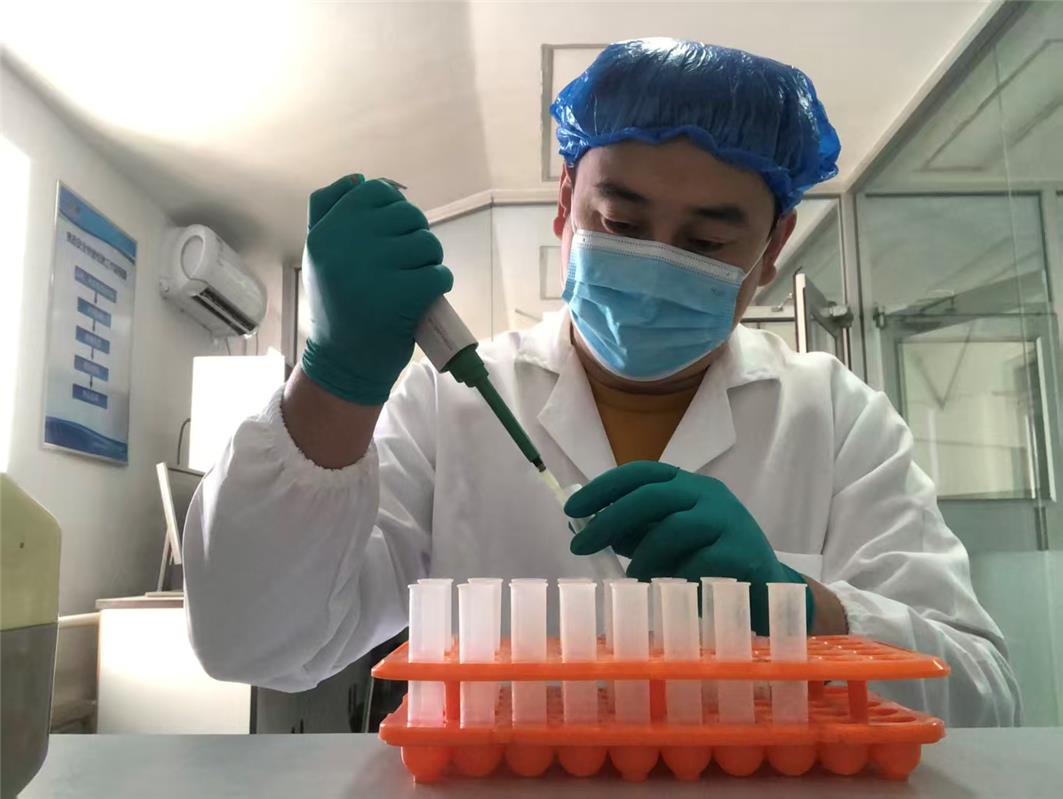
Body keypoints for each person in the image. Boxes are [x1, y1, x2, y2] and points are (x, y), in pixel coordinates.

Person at [183, 39, 1020, 726]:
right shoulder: (448, 404)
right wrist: (333, 379)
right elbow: (256, 644)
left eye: (705, 243)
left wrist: (806, 612)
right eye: (619, 221)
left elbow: (983, 697)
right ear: (564, 202)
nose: (654, 262)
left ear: (771, 251)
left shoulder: (835, 418)